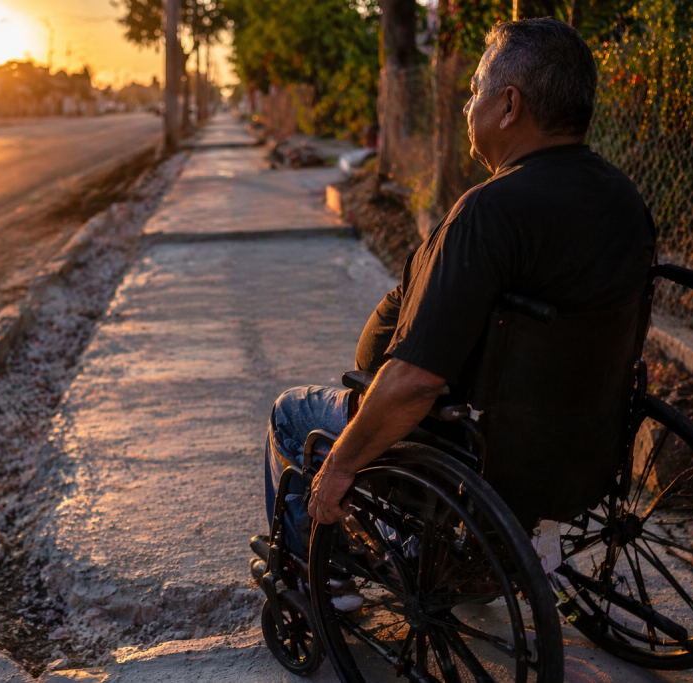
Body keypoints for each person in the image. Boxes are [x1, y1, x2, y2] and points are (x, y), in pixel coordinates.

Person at [260, 17, 656, 569]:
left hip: (468, 451)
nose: (470, 106)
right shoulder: (622, 199)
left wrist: (341, 467)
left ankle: (316, 579)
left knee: (291, 413)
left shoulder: (491, 212)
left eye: (475, 91)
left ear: (509, 106)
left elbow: (416, 382)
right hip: (580, 446)